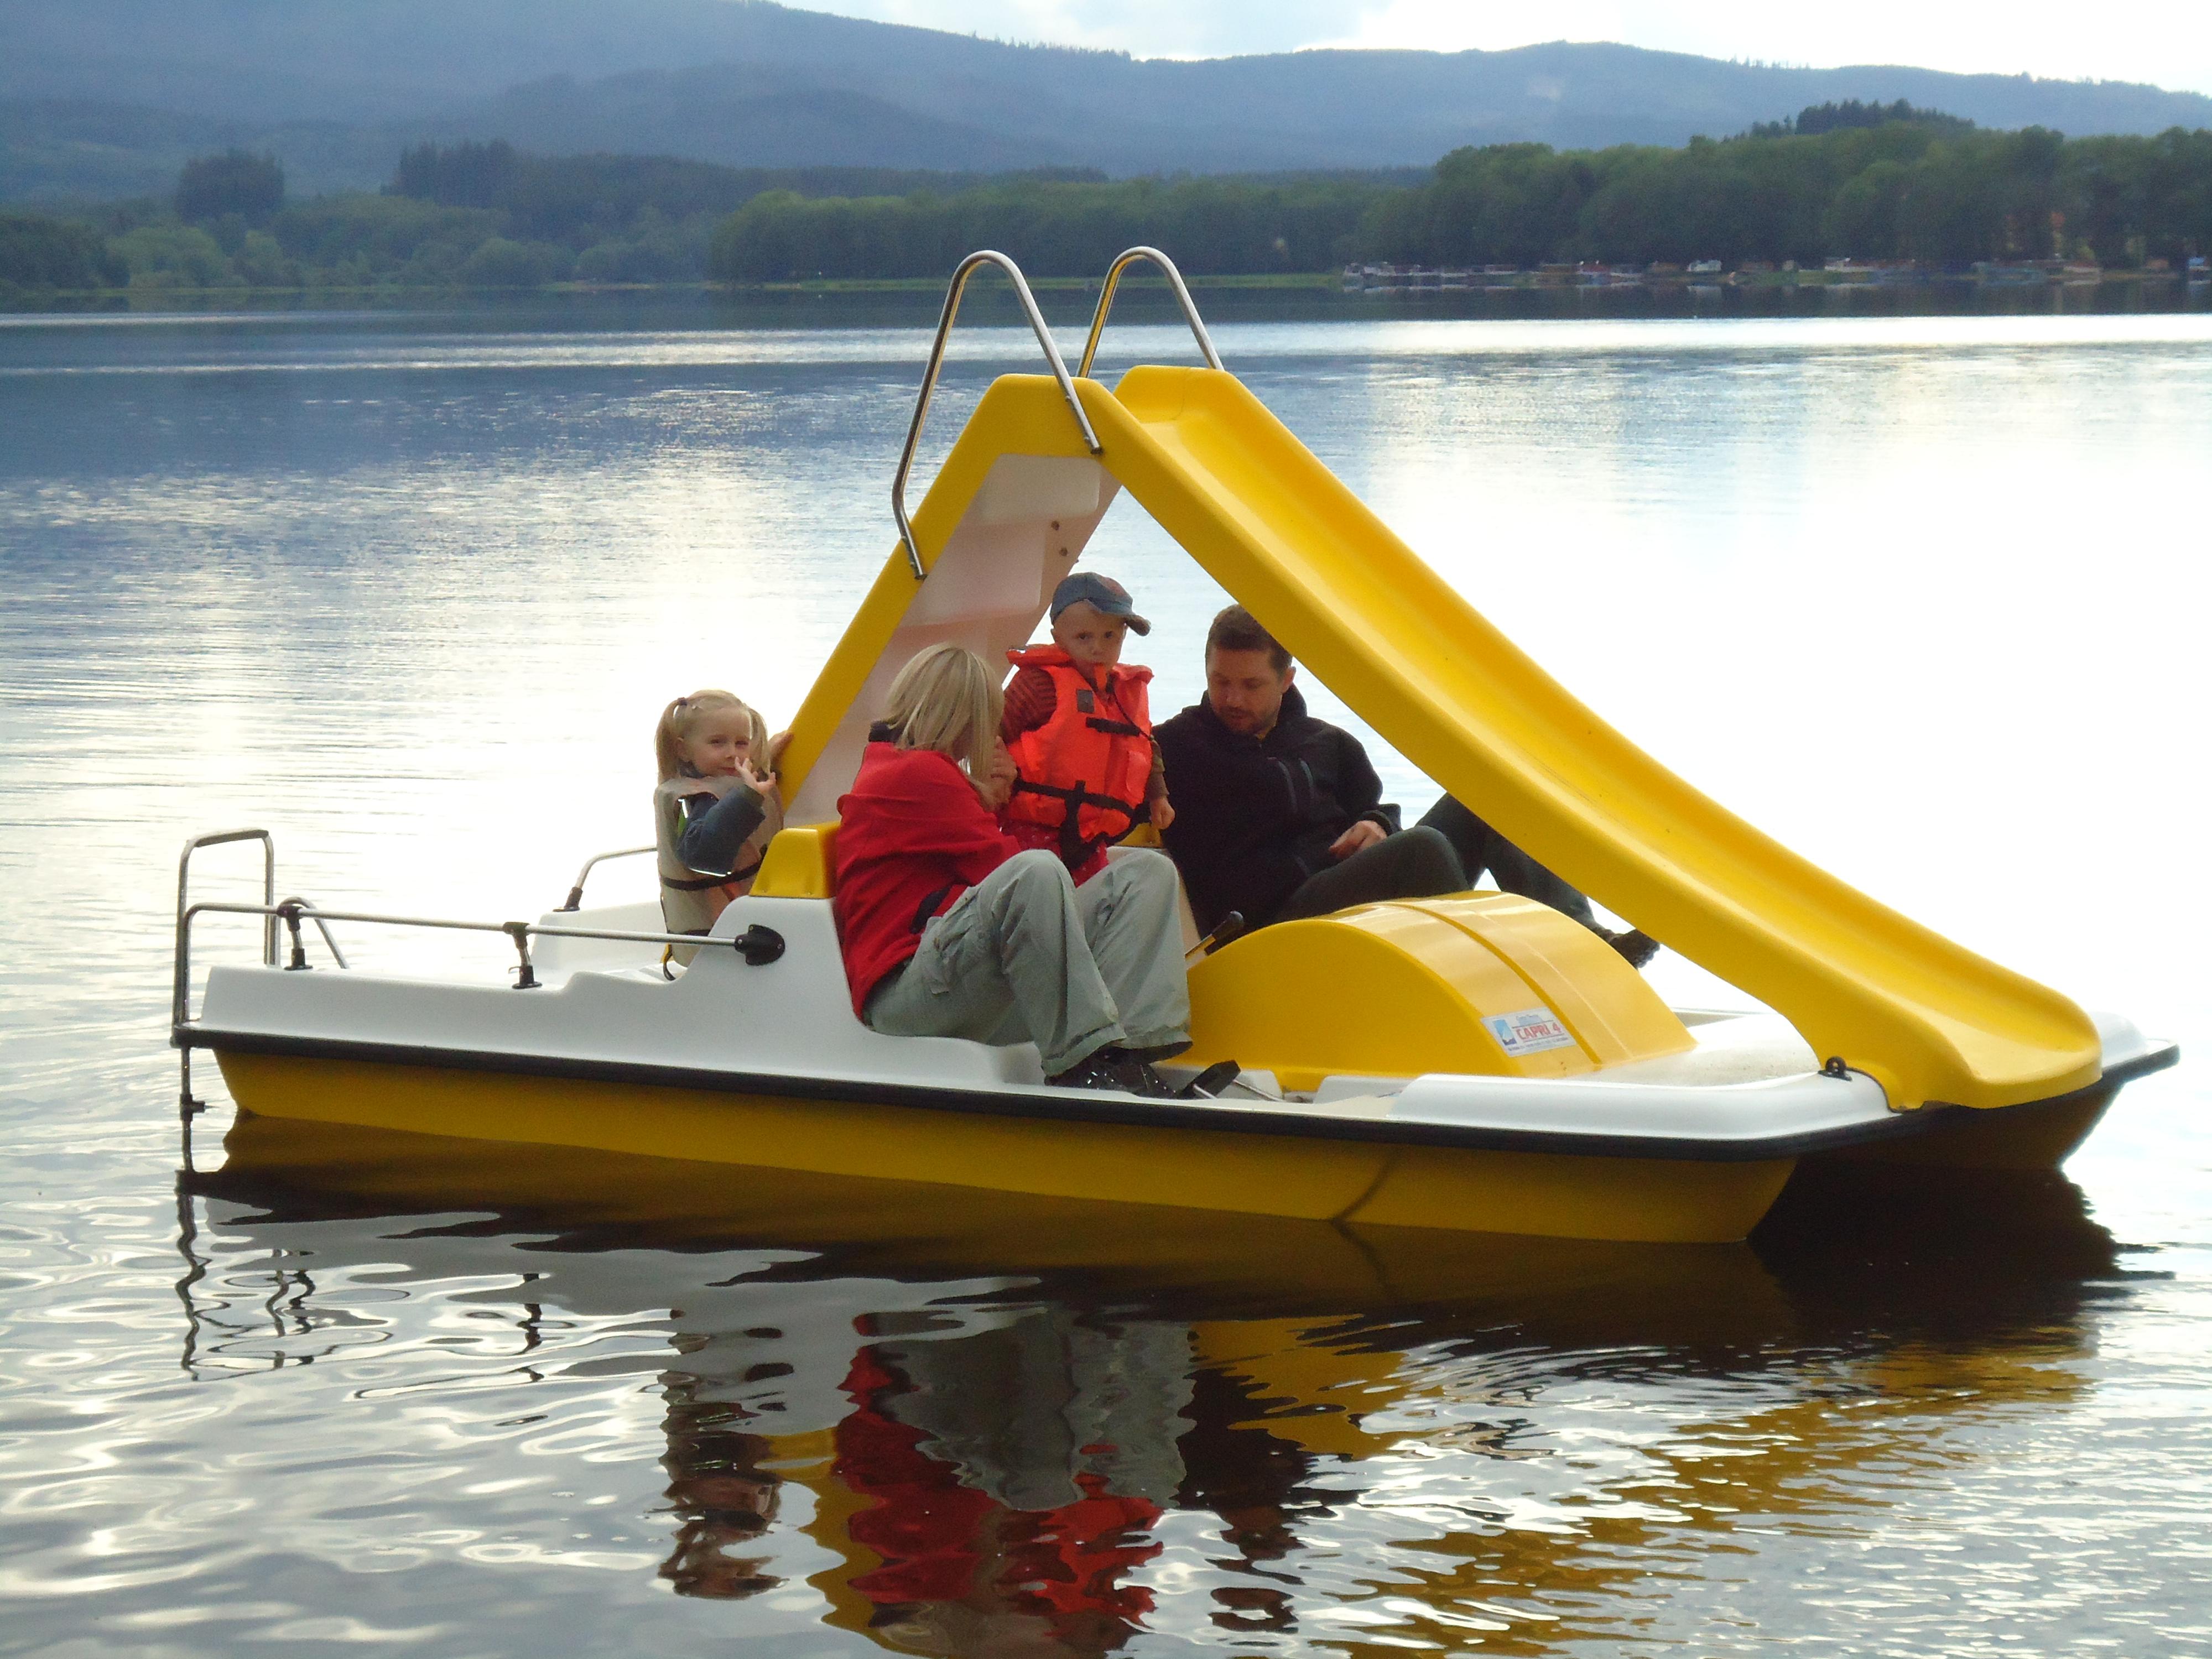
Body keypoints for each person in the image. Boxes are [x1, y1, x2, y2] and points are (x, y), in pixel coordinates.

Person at [1154, 606, 1658, 966]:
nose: (1232, 698)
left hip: (1352, 887)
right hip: (1273, 921)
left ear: (1287, 679)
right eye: (1220, 681)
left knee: (1490, 793)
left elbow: (1378, 811)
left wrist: (1374, 825)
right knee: (1421, 849)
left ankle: (1589, 945)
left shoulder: (1326, 743)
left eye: (1250, 685)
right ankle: (1491, 971)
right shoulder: (1174, 747)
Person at [832, 643, 1193, 1095]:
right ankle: (1084, 1063)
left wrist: (989, 796)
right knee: (1036, 871)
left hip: (947, 985)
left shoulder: (913, 771)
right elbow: (1010, 873)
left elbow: (993, 880)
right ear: (967, 717)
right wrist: (994, 794)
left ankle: (1130, 1055)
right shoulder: (917, 774)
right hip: (905, 998)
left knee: (1144, 874)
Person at [1000, 573, 1173, 883]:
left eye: (1110, 637)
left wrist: (1158, 796)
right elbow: (991, 732)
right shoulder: (1038, 685)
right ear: (1058, 637)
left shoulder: (1122, 692)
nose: (1098, 648)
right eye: (1084, 637)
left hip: (1091, 842)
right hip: (1031, 835)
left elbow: (1146, 746)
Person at [653, 690, 789, 948]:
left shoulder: (727, 782)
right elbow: (704, 854)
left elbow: (732, 787)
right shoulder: (690, 799)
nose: (732, 754)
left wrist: (767, 756)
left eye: (741, 744)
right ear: (683, 750)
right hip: (718, 944)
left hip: (748, 931)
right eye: (717, 743)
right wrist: (746, 799)